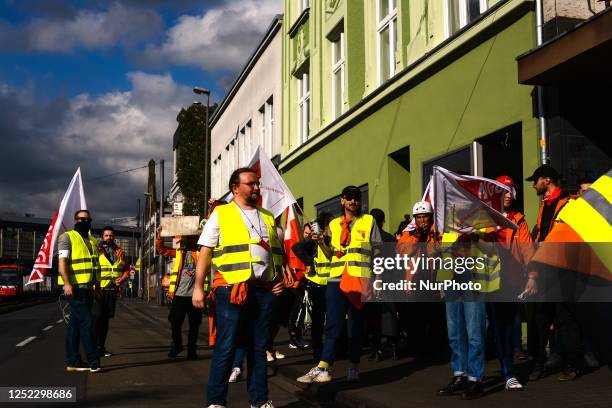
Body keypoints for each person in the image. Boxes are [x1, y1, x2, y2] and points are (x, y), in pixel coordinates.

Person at [193, 167, 285, 408]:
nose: (256, 187)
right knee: (226, 346)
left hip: (264, 292)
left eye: (257, 184)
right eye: (250, 184)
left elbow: (275, 253)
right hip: (231, 290)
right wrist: (199, 287)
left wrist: (278, 280)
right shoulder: (221, 214)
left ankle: (260, 400)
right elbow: (205, 251)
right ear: (235, 188)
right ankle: (216, 402)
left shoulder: (267, 216)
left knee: (258, 348)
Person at [297, 185, 382, 384]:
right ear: (342, 201)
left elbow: (378, 251)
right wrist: (321, 243)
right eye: (349, 197)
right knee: (333, 325)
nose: (353, 201)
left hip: (360, 279)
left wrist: (378, 279)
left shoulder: (369, 221)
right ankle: (323, 367)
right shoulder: (334, 224)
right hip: (337, 279)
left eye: (357, 197)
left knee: (357, 326)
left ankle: (354, 366)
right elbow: (331, 253)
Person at [524, 164, 578, 381]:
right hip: (545, 270)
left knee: (565, 317)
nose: (533, 185)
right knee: (539, 317)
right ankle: (539, 362)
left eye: (535, 181)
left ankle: (572, 364)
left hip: (563, 270)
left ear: (546, 180)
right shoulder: (543, 206)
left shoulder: (569, 203)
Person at [487, 176, 536, 390]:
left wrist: (533, 276)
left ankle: (508, 372)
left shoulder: (519, 220)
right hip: (487, 282)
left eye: (510, 191)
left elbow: (527, 249)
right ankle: (474, 375)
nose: (508, 195)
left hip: (511, 281)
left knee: (506, 327)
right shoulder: (484, 217)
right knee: (489, 329)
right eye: (503, 190)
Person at [396, 201, 446, 363]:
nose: (422, 220)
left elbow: (443, 249)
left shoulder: (438, 231)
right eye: (419, 217)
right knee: (416, 319)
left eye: (425, 217)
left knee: (435, 318)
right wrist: (416, 237)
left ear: (431, 217)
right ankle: (417, 352)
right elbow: (401, 252)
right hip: (415, 280)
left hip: (433, 281)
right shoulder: (408, 233)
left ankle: (435, 351)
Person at [58, 209, 102, 373]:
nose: (84, 221)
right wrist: (66, 283)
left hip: (89, 290)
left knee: (74, 327)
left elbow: (95, 266)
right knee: (87, 323)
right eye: (81, 219)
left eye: (87, 219)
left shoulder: (92, 241)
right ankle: (93, 360)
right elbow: (62, 262)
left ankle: (73, 361)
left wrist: (97, 287)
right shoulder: (67, 237)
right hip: (75, 289)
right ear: (75, 220)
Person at [292, 212, 334, 362]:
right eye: (330, 224)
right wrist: (309, 262)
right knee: (317, 320)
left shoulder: (332, 240)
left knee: (332, 319)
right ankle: (318, 351)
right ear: (324, 227)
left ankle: (331, 349)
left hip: (332, 284)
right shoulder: (315, 240)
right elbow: (296, 248)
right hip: (317, 285)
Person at [156, 225, 203, 360]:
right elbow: (162, 250)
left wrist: (202, 233)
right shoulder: (179, 252)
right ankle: (177, 345)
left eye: (192, 238)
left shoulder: (201, 252)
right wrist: (159, 236)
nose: (189, 241)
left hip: (195, 296)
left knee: (195, 324)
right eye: (187, 238)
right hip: (179, 295)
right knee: (174, 321)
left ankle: (191, 350)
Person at [93, 226, 130, 357]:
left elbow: (126, 268)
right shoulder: (97, 251)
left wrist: (123, 277)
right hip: (98, 290)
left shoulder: (120, 252)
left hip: (112, 290)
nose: (109, 237)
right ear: (102, 237)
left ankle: (101, 347)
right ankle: (93, 348)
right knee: (96, 319)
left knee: (105, 321)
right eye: (107, 235)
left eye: (111, 235)